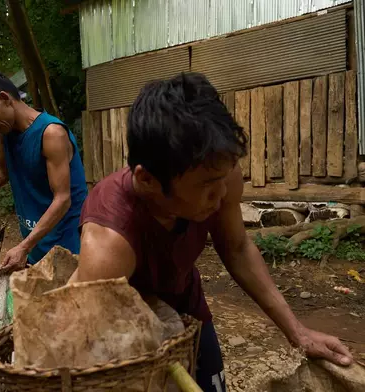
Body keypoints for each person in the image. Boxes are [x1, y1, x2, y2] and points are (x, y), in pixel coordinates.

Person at [68, 73, 353, 392]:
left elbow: (237, 248)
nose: (221, 196)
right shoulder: (109, 243)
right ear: (148, 180)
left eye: (224, 178)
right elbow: (92, 348)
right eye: (207, 185)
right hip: (122, 335)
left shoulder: (220, 175)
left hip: (189, 313)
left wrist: (298, 333)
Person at [0, 67, 87, 271]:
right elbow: (2, 171)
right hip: (36, 245)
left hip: (66, 248)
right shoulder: (6, 132)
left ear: (5, 98)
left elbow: (62, 199)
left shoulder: (51, 134)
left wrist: (23, 246)